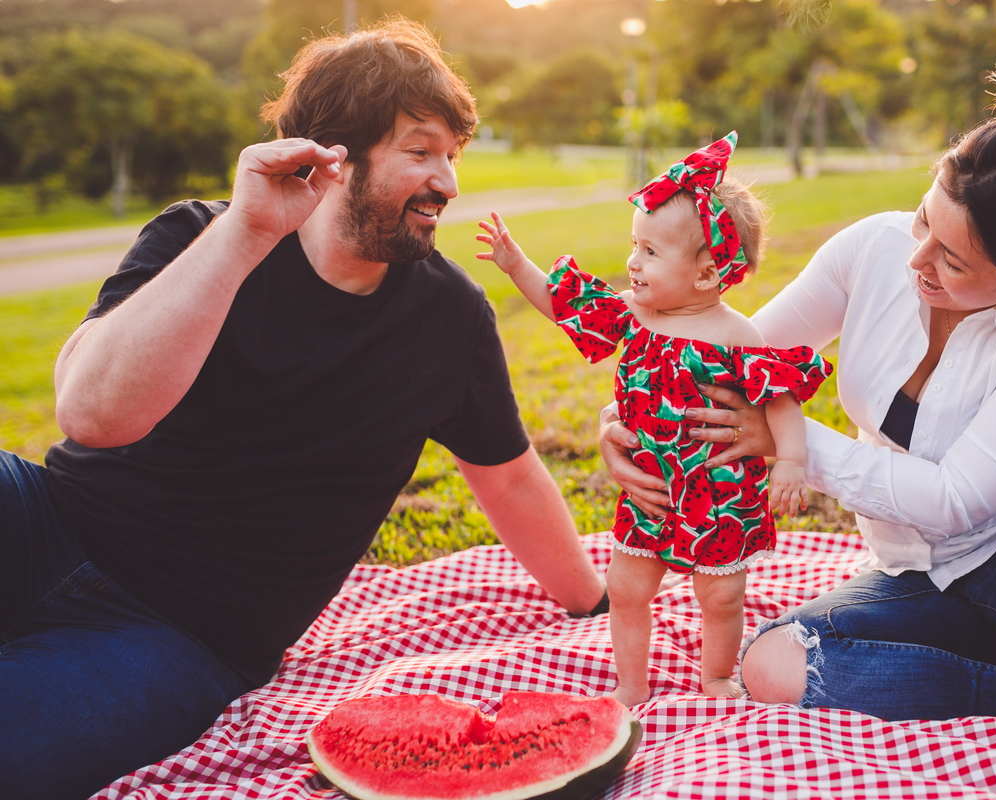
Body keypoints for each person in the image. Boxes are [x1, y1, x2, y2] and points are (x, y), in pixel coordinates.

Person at [0, 18, 606, 799]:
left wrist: (592, 602)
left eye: (453, 156)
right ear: (331, 157)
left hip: (181, 635)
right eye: (420, 151)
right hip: (48, 520)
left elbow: (511, 479)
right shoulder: (198, 235)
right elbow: (93, 414)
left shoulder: (449, 317)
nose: (449, 183)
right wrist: (244, 234)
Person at [601, 63, 996, 778]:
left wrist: (790, 446)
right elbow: (734, 360)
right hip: (917, 572)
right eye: (923, 220)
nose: (916, 258)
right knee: (773, 664)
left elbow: (954, 502)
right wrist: (634, 425)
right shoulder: (873, 248)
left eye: (951, 258)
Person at [477, 133, 831, 706]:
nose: (631, 263)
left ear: (709, 274)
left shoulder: (737, 337)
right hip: (650, 489)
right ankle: (631, 685)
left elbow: (779, 398)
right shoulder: (637, 315)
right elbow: (564, 304)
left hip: (719, 493)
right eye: (634, 245)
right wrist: (516, 263)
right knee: (625, 587)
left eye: (649, 252)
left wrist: (789, 460)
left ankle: (716, 676)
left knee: (719, 596)